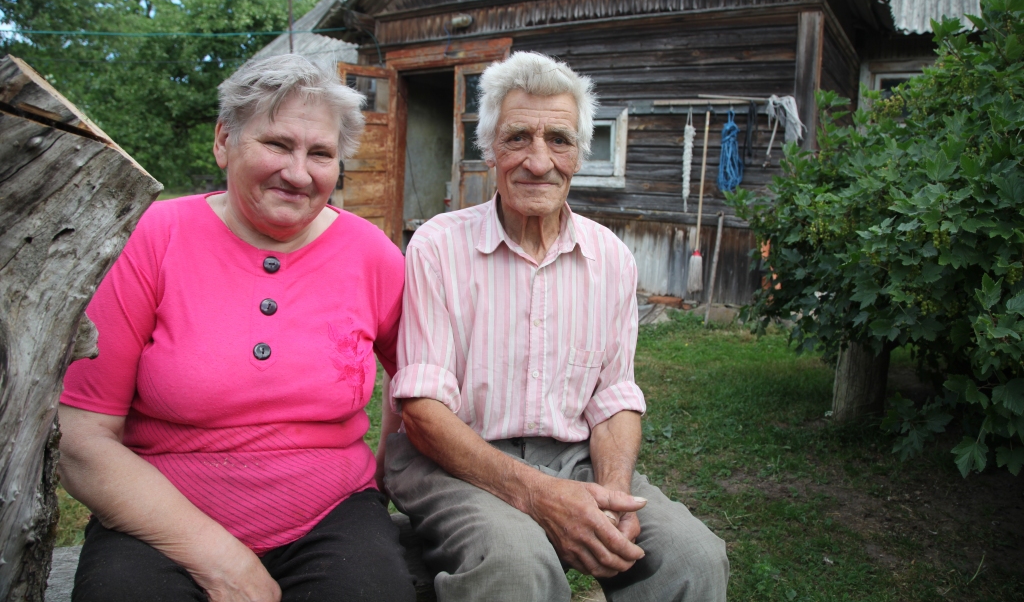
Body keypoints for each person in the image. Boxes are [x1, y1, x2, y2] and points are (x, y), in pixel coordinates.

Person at [58, 54, 415, 602]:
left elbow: (415, 381)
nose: (298, 173)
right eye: (276, 144)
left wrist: (386, 473)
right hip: (159, 522)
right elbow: (82, 439)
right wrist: (219, 558)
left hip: (332, 515)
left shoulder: (371, 254)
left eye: (320, 153)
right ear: (224, 140)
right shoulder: (153, 239)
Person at [385, 51, 730, 601]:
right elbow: (424, 416)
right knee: (518, 565)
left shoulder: (611, 258)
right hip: (455, 460)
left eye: (559, 141)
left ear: (579, 155)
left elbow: (615, 398)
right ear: (491, 149)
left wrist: (612, 495)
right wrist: (541, 496)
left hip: (572, 458)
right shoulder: (437, 246)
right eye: (518, 137)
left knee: (693, 558)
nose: (539, 161)